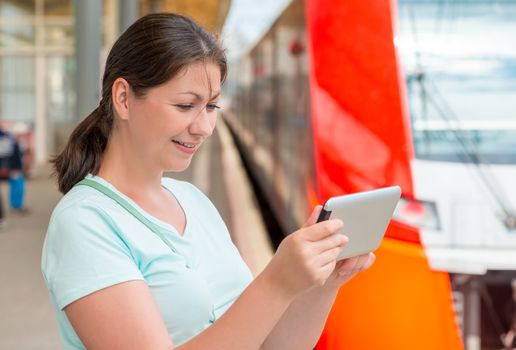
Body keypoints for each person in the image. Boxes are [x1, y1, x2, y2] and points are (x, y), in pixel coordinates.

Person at [41, 13, 375, 350]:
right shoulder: (83, 223)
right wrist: (277, 282)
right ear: (123, 98)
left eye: (211, 106)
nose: (204, 127)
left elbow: (272, 345)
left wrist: (325, 281)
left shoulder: (194, 201)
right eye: (186, 105)